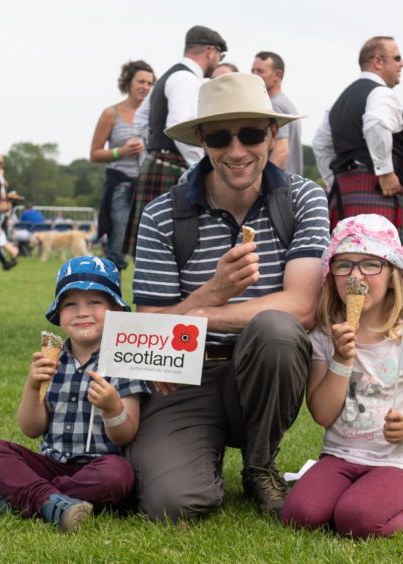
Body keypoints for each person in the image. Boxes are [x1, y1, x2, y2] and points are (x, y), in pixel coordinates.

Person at [128, 73, 330, 521]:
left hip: (259, 371)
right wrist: (212, 292)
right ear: (202, 139)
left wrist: (202, 313)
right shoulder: (163, 214)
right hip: (185, 377)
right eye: (221, 136)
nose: (237, 151)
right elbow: (149, 333)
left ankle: (260, 464)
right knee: (172, 505)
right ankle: (198, 457)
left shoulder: (302, 198)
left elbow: (303, 307)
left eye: (251, 133)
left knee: (277, 329)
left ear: (272, 133)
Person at [280, 214, 403, 539]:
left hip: (395, 461)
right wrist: (342, 359)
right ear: (332, 275)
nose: (356, 275)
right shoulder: (325, 334)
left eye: (370, 264)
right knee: (298, 516)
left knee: (356, 521)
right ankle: (348, 492)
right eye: (344, 265)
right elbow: (322, 414)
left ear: (392, 273)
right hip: (340, 455)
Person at [0, 256, 151, 532]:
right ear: (59, 313)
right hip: (50, 463)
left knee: (118, 475)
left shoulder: (124, 359)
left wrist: (112, 407)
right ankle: (51, 502)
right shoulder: (52, 360)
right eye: (70, 304)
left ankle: (23, 499)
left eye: (95, 302)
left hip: (98, 467)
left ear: (115, 309)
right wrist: (32, 386)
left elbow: (126, 434)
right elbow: (31, 429)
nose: (82, 312)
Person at [127, 25, 227, 257]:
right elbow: (180, 125)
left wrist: (152, 153)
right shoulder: (186, 79)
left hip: (156, 164)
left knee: (154, 244)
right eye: (220, 56)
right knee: (171, 245)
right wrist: (200, 168)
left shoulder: (168, 76)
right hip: (174, 167)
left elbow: (140, 122)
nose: (218, 61)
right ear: (211, 51)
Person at [313, 36, 403, 245]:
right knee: (383, 263)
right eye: (397, 58)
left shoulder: (339, 101)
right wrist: (385, 171)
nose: (402, 63)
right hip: (379, 190)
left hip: (345, 192)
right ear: (378, 61)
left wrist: (335, 182)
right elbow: (375, 124)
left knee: (348, 258)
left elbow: (320, 144)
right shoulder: (381, 93)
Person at [90, 60, 155, 270]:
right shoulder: (111, 113)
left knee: (148, 247)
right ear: (128, 83)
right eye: (141, 81)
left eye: (150, 83)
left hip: (148, 186)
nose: (145, 87)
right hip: (121, 185)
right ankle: (109, 296)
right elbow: (94, 153)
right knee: (116, 246)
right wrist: (121, 152)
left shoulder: (156, 115)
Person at [251, 51, 302, 175]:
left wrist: (265, 182)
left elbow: (281, 151)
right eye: (253, 70)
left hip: (279, 184)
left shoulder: (274, 105)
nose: (254, 75)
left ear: (278, 75)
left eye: (260, 71)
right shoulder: (285, 103)